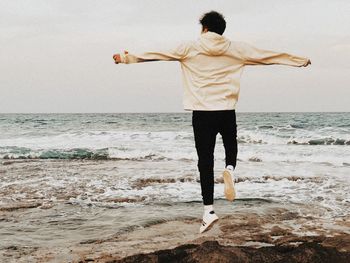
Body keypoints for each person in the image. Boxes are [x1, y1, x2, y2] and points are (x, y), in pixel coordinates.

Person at [113, 11, 311, 234]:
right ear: (221, 30)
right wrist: (299, 61)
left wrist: (127, 57)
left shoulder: (189, 47)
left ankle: (208, 211)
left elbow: (159, 53)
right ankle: (230, 168)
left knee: (205, 161)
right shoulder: (237, 49)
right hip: (226, 110)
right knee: (230, 144)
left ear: (204, 28)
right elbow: (268, 56)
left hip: (202, 112)